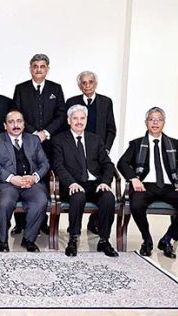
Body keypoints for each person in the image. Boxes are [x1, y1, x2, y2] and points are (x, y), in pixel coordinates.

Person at [117, 107, 178, 259]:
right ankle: (146, 239)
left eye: (159, 119)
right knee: (136, 204)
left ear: (164, 123)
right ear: (146, 122)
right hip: (145, 185)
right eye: (151, 119)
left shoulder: (173, 144)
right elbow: (122, 163)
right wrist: (134, 179)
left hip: (169, 186)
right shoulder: (136, 144)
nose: (155, 123)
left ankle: (168, 239)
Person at [51, 105, 118, 257]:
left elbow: (108, 165)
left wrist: (105, 183)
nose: (79, 122)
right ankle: (73, 239)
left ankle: (104, 240)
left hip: (94, 184)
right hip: (72, 184)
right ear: (69, 121)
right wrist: (71, 183)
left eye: (82, 118)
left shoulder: (95, 139)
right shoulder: (59, 140)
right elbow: (58, 166)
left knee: (108, 197)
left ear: (86, 120)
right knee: (78, 196)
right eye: (75, 118)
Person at [12, 53, 65, 234]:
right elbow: (17, 115)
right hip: (26, 140)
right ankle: (20, 223)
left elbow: (61, 114)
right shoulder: (21, 88)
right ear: (30, 69)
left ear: (47, 69)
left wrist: (45, 133)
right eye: (35, 66)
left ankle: (42, 221)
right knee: (23, 173)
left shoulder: (55, 89)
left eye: (42, 66)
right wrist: (34, 132)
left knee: (45, 178)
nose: (38, 70)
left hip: (49, 142)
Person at [0, 110, 49, 253]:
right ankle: (2, 240)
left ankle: (29, 239)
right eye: (11, 122)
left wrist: (34, 177)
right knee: (5, 203)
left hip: (30, 183)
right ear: (5, 125)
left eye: (19, 121)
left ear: (24, 124)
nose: (16, 125)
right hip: (7, 184)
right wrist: (11, 178)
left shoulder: (33, 140)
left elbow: (44, 163)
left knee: (40, 200)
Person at [65, 70, 117, 234]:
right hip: (76, 151)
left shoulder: (105, 102)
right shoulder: (72, 102)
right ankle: (75, 230)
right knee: (80, 190)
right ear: (80, 86)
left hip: (97, 153)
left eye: (90, 82)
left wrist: (105, 149)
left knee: (101, 189)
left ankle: (96, 224)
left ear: (95, 83)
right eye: (84, 83)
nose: (87, 85)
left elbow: (111, 129)